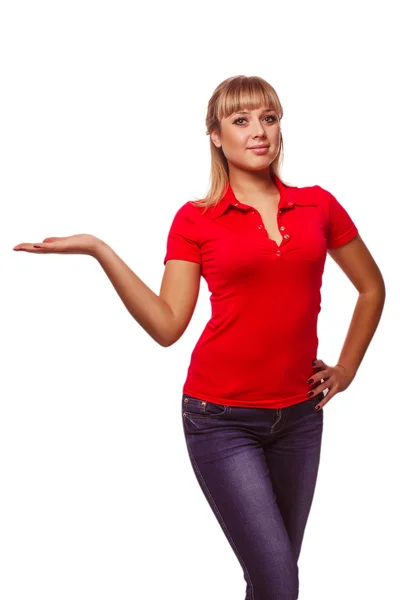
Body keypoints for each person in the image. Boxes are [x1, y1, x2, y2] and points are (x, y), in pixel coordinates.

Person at [13, 75, 386, 600]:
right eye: (241, 120)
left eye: (269, 118)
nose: (259, 132)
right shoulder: (196, 220)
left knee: (270, 580)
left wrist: (345, 370)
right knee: (280, 584)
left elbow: (372, 288)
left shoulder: (319, 206)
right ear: (215, 135)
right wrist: (100, 250)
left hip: (301, 418)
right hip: (220, 419)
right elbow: (168, 325)